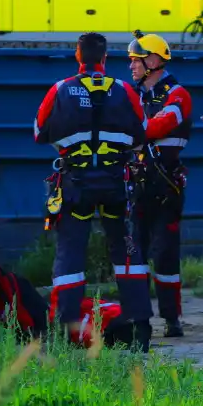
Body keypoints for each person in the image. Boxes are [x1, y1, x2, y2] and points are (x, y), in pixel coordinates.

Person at [34, 32, 155, 352]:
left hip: (76, 187)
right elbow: (142, 135)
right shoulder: (125, 90)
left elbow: (39, 132)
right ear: (104, 59)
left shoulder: (60, 90)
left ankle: (67, 328)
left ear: (78, 58)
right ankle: (140, 327)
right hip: (116, 184)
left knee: (71, 253)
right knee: (127, 252)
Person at [127, 31, 191, 338]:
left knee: (165, 254)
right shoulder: (132, 93)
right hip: (137, 186)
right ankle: (139, 318)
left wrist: (132, 130)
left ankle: (171, 318)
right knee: (135, 254)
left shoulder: (178, 94)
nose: (131, 67)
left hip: (166, 188)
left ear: (153, 61)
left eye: (136, 61)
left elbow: (162, 124)